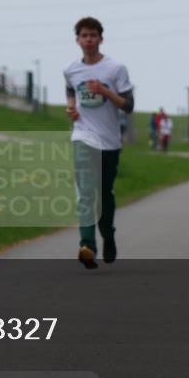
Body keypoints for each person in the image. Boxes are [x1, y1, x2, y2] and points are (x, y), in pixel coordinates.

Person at [64, 16, 134, 269]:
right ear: (78, 40)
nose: (89, 40)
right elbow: (71, 89)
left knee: (104, 194)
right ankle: (87, 246)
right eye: (84, 35)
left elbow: (129, 105)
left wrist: (105, 91)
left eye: (93, 35)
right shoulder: (71, 69)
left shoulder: (115, 68)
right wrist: (71, 107)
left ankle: (108, 235)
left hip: (109, 140)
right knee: (86, 193)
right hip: (83, 136)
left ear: (101, 39)